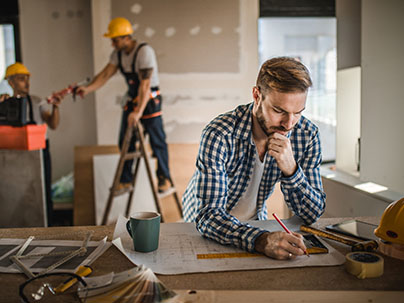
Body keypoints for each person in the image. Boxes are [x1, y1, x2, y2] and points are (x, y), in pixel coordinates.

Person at [182, 57, 326, 260]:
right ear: (256, 95)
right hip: (202, 227)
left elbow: (313, 213)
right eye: (278, 111)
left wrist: (292, 170)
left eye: (298, 113)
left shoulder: (307, 135)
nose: (288, 124)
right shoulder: (219, 133)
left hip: (253, 224)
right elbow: (208, 216)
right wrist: (262, 240)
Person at [76, 17, 172, 193]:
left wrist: (138, 112)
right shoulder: (118, 55)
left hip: (150, 99)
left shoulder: (144, 52)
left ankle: (164, 178)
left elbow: (145, 85)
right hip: (133, 98)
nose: (112, 44)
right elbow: (105, 75)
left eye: (115, 39)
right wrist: (87, 89)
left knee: (157, 141)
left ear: (126, 37)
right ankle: (126, 180)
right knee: (125, 141)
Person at [0, 62, 62, 226]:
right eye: (21, 79)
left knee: (42, 191)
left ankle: (46, 227)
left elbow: (53, 125)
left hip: (40, 152)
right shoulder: (5, 103)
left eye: (27, 79)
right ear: (11, 82)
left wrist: (55, 107)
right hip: (15, 153)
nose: (27, 83)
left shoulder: (37, 102)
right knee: (17, 193)